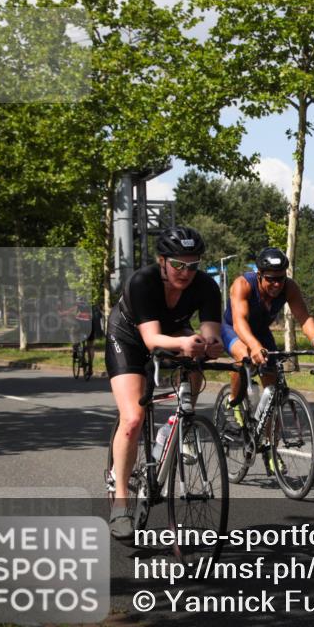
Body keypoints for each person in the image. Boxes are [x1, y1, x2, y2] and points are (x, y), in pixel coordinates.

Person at [105, 226, 223, 540]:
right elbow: (151, 338)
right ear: (162, 261)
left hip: (172, 332)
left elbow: (211, 330)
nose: (185, 272)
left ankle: (179, 423)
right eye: (178, 265)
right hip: (129, 337)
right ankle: (119, 502)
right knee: (132, 418)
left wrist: (210, 344)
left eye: (193, 265)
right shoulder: (143, 282)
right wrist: (184, 345)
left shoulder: (207, 286)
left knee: (197, 353)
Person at [220, 247, 314, 428]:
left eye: (281, 278)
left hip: (261, 331)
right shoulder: (243, 285)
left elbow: (304, 317)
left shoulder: (290, 287)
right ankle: (234, 401)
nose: (277, 284)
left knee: (274, 391)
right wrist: (254, 346)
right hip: (232, 328)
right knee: (244, 355)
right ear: (259, 275)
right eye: (271, 279)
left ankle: (269, 447)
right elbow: (240, 323)